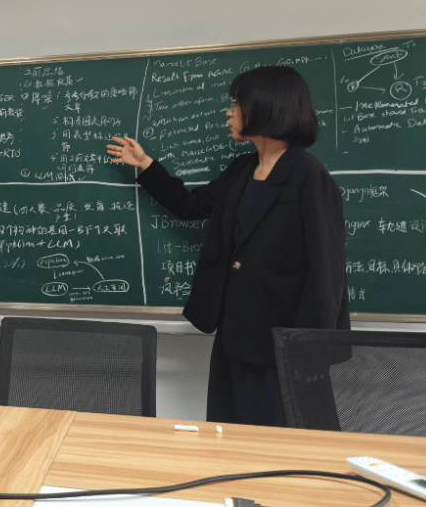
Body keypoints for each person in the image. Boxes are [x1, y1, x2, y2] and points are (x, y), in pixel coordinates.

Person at [107, 65, 348, 427]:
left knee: (281, 442)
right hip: (233, 336)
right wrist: (146, 165)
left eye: (237, 104)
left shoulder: (309, 178)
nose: (229, 113)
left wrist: (311, 353)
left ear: (265, 108)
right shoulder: (241, 170)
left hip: (282, 347)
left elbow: (326, 273)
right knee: (229, 433)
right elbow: (190, 206)